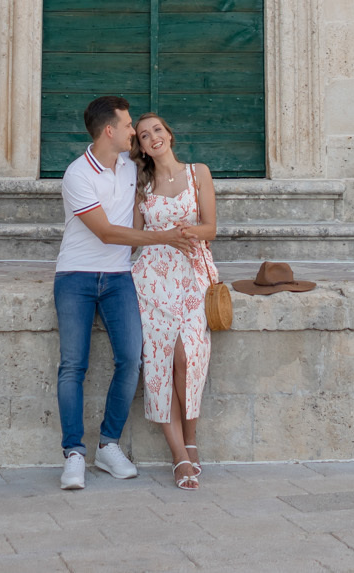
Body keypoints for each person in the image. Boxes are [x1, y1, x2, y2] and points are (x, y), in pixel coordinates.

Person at [55, 95, 189, 491]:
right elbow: (107, 233)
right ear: (109, 130)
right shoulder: (77, 174)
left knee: (131, 359)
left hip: (118, 277)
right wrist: (161, 238)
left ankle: (108, 446)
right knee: (72, 366)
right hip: (76, 276)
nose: (135, 132)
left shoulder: (131, 167)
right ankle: (74, 454)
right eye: (130, 125)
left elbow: (167, 169)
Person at [129, 113, 219, 490]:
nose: (153, 138)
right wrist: (163, 237)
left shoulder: (199, 173)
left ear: (170, 134)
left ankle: (192, 438)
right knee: (160, 362)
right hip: (151, 278)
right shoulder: (139, 185)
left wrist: (181, 233)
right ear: (141, 146)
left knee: (188, 357)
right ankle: (180, 455)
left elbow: (211, 228)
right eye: (145, 135)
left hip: (192, 272)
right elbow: (135, 236)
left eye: (158, 130)